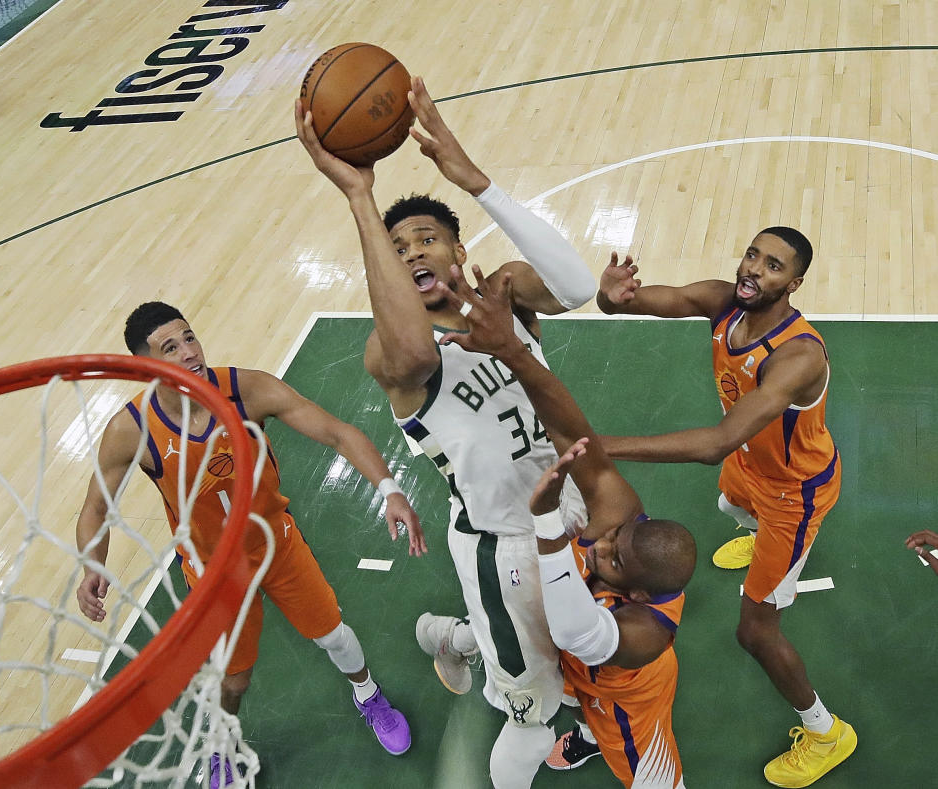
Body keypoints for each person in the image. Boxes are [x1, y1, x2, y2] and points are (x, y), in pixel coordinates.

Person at [295, 76, 597, 788]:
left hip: (576, 507)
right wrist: (361, 199)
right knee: (530, 716)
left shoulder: (505, 298)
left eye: (427, 238)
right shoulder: (393, 357)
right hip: (503, 546)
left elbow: (578, 285)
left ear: (459, 248)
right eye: (398, 250)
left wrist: (474, 180)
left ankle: (448, 635)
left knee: (585, 648)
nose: (413, 252)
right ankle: (470, 643)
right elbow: (414, 352)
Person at [75, 302, 422, 787]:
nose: (189, 352)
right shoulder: (131, 430)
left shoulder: (246, 390)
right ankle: (224, 743)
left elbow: (337, 433)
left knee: (333, 635)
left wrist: (389, 489)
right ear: (147, 366)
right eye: (169, 348)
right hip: (214, 571)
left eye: (189, 337)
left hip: (276, 545)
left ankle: (368, 695)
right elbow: (95, 508)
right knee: (234, 679)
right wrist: (93, 564)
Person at [595, 231, 857, 788]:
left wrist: (605, 445)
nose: (755, 270)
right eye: (753, 256)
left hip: (795, 493)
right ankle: (760, 535)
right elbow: (634, 302)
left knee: (756, 633)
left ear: (794, 283)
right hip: (751, 467)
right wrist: (611, 295)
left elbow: (716, 441)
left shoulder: (797, 356)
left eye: (773, 266)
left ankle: (826, 732)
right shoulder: (724, 302)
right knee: (726, 501)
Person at [436, 264, 696, 788]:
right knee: (556, 670)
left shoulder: (645, 637)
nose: (602, 547)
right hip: (581, 664)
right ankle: (463, 637)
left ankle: (594, 735)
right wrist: (513, 350)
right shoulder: (619, 523)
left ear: (641, 593)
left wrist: (548, 522)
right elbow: (571, 432)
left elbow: (575, 630)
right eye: (616, 538)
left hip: (625, 702)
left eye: (615, 559)